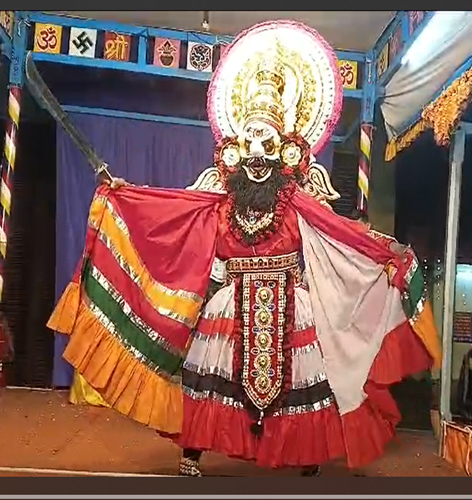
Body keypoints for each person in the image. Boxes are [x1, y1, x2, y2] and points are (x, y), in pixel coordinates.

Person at [48, 20, 441, 476]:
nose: (256, 152)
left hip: (292, 308)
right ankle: (193, 449)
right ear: (234, 149)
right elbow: (169, 213)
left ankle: (305, 452)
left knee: (304, 385)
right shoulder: (218, 199)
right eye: (249, 140)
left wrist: (382, 250)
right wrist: (123, 195)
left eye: (267, 142)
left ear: (287, 151)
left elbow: (341, 236)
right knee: (210, 384)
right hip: (229, 307)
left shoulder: (302, 201)